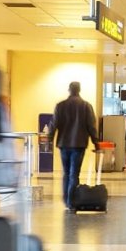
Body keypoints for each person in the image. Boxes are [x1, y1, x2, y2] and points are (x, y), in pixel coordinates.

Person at [51, 81, 101, 211]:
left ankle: (66, 200)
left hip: (63, 144)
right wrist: (96, 142)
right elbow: (91, 126)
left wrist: (49, 140)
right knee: (74, 174)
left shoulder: (60, 106)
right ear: (79, 90)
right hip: (79, 144)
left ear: (69, 90)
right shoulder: (86, 106)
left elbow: (53, 124)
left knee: (66, 173)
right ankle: (71, 201)